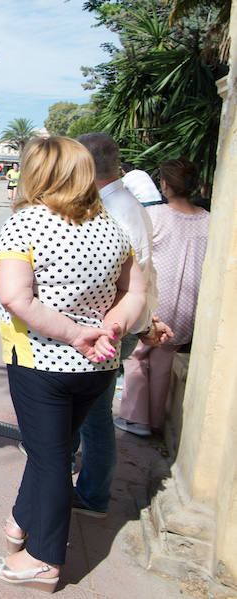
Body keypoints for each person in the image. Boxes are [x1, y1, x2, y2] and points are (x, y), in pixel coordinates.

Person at [0, 136, 146, 592]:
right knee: (52, 448)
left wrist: (76, 334)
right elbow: (133, 291)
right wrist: (111, 328)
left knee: (50, 456)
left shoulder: (26, 223)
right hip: (97, 366)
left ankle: (43, 558)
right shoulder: (111, 226)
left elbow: (15, 297)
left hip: (42, 361)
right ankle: (22, 520)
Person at [71, 132, 169, 518]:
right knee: (90, 410)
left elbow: (128, 279)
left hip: (110, 327)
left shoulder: (117, 209)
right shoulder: (118, 202)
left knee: (95, 415)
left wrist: (126, 325)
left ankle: (93, 494)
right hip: (115, 324)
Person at [117, 158, 210, 436]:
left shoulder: (156, 216)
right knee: (164, 358)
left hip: (158, 299)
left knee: (137, 355)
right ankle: (156, 418)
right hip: (189, 303)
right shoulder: (209, 220)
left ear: (165, 185)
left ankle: (135, 417)